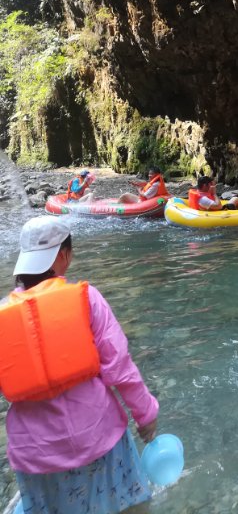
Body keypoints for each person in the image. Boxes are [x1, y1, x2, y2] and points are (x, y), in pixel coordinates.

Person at [0, 216, 158, 513]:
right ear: (63, 255)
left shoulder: (2, 316)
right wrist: (145, 414)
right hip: (98, 438)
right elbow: (120, 367)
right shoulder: (88, 299)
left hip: (35, 454)